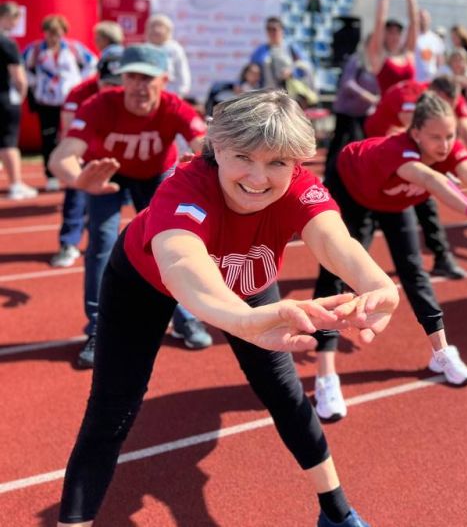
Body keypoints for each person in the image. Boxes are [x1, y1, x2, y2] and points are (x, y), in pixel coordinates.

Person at [56, 90, 398, 527]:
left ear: (295, 163)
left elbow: (335, 241)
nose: (259, 177)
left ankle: (337, 512)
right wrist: (245, 322)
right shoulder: (182, 189)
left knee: (286, 394)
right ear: (216, 147)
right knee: (112, 409)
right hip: (141, 284)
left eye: (277, 162)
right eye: (244, 156)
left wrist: (377, 285)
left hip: (247, 286)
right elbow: (183, 267)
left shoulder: (300, 186)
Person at [310, 93, 467, 419]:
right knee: (337, 273)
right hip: (351, 190)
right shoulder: (397, 151)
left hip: (392, 203)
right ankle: (325, 375)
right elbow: (430, 179)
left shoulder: (449, 149)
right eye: (436, 137)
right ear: (415, 132)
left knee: (414, 270)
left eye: (450, 135)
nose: (445, 144)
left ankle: (441, 352)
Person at [48, 45, 213, 368]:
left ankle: (184, 317)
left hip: (155, 175)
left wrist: (204, 167)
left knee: (170, 245)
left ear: (164, 80)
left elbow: (207, 149)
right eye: (132, 76)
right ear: (121, 79)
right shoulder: (99, 105)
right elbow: (61, 156)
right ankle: (99, 328)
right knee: (102, 244)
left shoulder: (174, 107)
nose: (140, 85)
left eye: (148, 78)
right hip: (105, 175)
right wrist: (79, 180)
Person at [363, 75, 467, 279]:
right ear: (432, 94)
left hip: (413, 153)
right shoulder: (408, 95)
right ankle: (349, 270)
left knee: (426, 200)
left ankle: (442, 257)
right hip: (379, 151)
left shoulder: (449, 100)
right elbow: (411, 135)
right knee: (368, 212)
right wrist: (442, 169)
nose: (447, 110)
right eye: (444, 104)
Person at [51, 43, 125, 269]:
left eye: (119, 84)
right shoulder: (80, 93)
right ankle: (69, 243)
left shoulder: (139, 92)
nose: (114, 90)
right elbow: (68, 134)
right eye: (109, 83)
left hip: (130, 154)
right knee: (77, 188)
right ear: (98, 76)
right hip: (89, 151)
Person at [22, 14, 97, 191]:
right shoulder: (35, 50)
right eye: (49, 32)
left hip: (70, 103)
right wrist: (34, 82)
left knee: (73, 136)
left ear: (63, 32)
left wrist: (80, 83)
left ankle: (76, 172)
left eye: (57, 32)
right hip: (46, 102)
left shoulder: (73, 48)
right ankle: (51, 176)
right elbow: (22, 68)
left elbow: (93, 63)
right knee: (48, 138)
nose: (53, 36)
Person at [0, 1, 37, 200]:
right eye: (15, 19)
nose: (16, 24)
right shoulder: (7, 43)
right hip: (5, 97)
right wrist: (20, 95)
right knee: (9, 142)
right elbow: (19, 76)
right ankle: (15, 184)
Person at [367, 0, 418, 93]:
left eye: (397, 32)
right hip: (388, 108)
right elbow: (379, 22)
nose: (394, 36)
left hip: (408, 108)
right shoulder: (380, 55)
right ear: (385, 34)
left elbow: (414, 22)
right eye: (390, 32)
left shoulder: (408, 54)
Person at [249, 17, 314, 94]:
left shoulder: (291, 48)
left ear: (282, 30)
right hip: (266, 95)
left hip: (289, 94)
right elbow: (249, 71)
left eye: (274, 29)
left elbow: (306, 67)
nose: (271, 32)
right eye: (268, 29)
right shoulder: (260, 51)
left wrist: (292, 72)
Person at [145, 13, 191, 99]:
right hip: (148, 96)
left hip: (171, 94)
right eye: (153, 26)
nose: (156, 30)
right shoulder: (144, 49)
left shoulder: (174, 49)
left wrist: (180, 93)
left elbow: (183, 73)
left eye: (160, 26)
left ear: (168, 30)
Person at [413, 8, 445, 83]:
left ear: (429, 20)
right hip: (415, 79)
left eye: (424, 18)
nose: (422, 21)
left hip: (430, 80)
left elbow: (440, 62)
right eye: (420, 18)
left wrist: (438, 77)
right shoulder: (411, 37)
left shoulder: (436, 39)